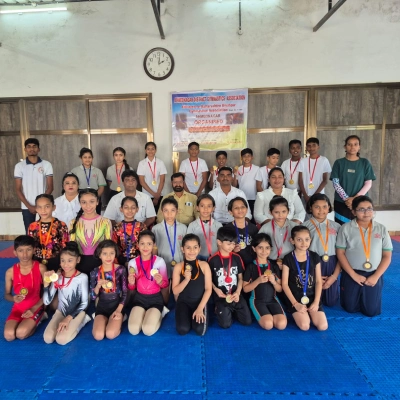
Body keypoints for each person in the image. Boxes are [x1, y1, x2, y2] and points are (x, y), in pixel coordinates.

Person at [336, 196, 392, 317]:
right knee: (350, 308)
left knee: (371, 311)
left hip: (374, 273)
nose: (366, 212)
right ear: (353, 212)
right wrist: (353, 275)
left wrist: (376, 276)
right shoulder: (345, 228)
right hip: (351, 273)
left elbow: (387, 256)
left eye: (369, 208)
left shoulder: (381, 229)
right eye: (361, 209)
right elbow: (340, 253)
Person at [43, 242, 90, 345]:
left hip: (77, 312)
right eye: (62, 260)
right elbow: (46, 301)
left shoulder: (82, 277)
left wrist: (68, 318)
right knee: (48, 338)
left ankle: (82, 321)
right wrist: (46, 285)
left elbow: (84, 303)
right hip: (61, 311)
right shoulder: (57, 276)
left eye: (70, 260)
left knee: (61, 340)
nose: (65, 264)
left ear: (78, 260)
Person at [282, 226, 328, 331]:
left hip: (312, 297)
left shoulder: (314, 256)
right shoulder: (288, 258)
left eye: (307, 239)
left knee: (323, 326)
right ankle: (296, 311)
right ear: (292, 241)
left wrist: (316, 302)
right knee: (305, 326)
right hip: (295, 298)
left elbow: (318, 281)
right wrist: (295, 304)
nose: (304, 243)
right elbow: (284, 284)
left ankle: (311, 310)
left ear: (310, 240)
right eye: (299, 240)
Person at [4, 235, 46, 341]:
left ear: (34, 250)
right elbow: (7, 294)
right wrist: (13, 298)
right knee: (9, 336)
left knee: (21, 334)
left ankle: (41, 316)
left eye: (28, 249)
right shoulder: (10, 272)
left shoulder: (41, 268)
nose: (25, 254)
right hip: (18, 309)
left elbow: (48, 293)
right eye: (20, 251)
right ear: (15, 252)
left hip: (36, 307)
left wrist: (33, 309)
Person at [208, 227, 252, 329]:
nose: (232, 246)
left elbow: (240, 278)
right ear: (219, 242)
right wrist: (216, 289)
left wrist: (238, 292)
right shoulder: (212, 260)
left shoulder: (237, 257)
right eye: (229, 244)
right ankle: (219, 308)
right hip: (221, 296)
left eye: (233, 244)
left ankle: (231, 310)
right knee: (225, 325)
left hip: (236, 295)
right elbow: (208, 280)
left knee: (247, 321)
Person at [127, 231, 169, 336]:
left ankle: (160, 313)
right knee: (133, 330)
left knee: (148, 330)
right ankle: (146, 314)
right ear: (137, 245)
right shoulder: (132, 263)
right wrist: (131, 283)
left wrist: (160, 281)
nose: (145, 247)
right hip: (139, 298)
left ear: (154, 245)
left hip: (155, 299)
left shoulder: (159, 261)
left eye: (149, 244)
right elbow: (132, 288)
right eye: (142, 243)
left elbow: (165, 285)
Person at [303, 194, 341, 307]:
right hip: (312, 263)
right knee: (312, 300)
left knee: (331, 302)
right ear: (310, 208)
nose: (321, 210)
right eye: (317, 207)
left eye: (324, 206)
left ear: (329, 207)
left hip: (332, 262)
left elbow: (342, 253)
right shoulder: (305, 227)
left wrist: (334, 277)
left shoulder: (337, 226)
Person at [243, 233, 287, 330]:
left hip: (273, 300)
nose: (264, 251)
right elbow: (245, 289)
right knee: (268, 325)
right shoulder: (251, 267)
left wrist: (274, 282)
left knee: (281, 325)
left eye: (267, 248)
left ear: (270, 249)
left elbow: (280, 289)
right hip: (257, 301)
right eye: (260, 248)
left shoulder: (274, 266)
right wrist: (258, 281)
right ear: (254, 248)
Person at [330, 135, 376, 225]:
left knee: (360, 228)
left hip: (361, 203)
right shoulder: (339, 163)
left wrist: (355, 199)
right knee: (341, 227)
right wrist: (347, 199)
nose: (352, 147)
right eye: (349, 144)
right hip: (342, 202)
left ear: (359, 147)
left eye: (355, 144)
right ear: (345, 147)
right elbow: (335, 183)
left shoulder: (365, 163)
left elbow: (368, 183)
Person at [172, 234, 212, 336]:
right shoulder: (178, 267)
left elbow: (208, 289)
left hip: (199, 301)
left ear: (199, 248)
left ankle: (197, 313)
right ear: (182, 249)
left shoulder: (204, 265)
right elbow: (175, 291)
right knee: (182, 330)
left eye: (195, 247)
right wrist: (186, 280)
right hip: (183, 302)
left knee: (200, 330)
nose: (192, 251)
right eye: (188, 247)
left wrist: (200, 308)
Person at [90, 240, 128, 340]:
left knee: (110, 334)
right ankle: (104, 320)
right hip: (102, 307)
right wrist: (98, 286)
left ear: (115, 254)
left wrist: (119, 311)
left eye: (111, 253)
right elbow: (93, 297)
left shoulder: (120, 269)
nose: (108, 257)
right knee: (98, 336)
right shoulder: (95, 272)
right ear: (99, 255)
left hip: (117, 306)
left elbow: (125, 292)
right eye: (105, 254)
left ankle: (122, 317)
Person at [69, 189, 112, 275]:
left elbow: (108, 246)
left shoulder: (105, 222)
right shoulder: (73, 222)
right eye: (84, 202)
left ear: (97, 202)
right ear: (80, 203)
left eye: (91, 202)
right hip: (79, 263)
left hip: (100, 263)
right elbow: (71, 247)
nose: (88, 205)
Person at [14, 138, 54, 232]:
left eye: (34, 146)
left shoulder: (46, 164)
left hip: (43, 206)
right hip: (26, 206)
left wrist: (40, 205)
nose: (32, 149)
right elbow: (18, 189)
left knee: (45, 231)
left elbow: (50, 187)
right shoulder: (19, 166)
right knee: (30, 232)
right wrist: (29, 206)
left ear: (38, 149)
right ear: (25, 149)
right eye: (29, 147)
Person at [28, 194, 69, 271]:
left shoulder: (61, 225)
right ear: (36, 209)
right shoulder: (32, 226)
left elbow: (65, 246)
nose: (43, 210)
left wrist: (63, 264)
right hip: (37, 261)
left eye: (47, 207)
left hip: (56, 260)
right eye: (39, 207)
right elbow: (30, 246)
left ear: (53, 207)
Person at [152, 197, 187, 281]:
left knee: (178, 283)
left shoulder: (183, 228)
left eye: (172, 210)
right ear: (162, 212)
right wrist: (154, 264)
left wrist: (186, 263)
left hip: (179, 262)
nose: (169, 214)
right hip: (162, 264)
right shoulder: (156, 229)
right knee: (164, 284)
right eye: (166, 211)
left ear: (177, 211)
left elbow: (186, 247)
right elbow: (154, 248)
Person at [259, 196, 296, 270]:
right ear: (270, 212)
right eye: (276, 212)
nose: (280, 215)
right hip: (271, 262)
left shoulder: (295, 227)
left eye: (284, 211)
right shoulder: (265, 228)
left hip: (292, 262)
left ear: (288, 211)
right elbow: (259, 247)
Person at [298, 137, 331, 213]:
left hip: (319, 195)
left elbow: (325, 180)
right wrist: (305, 196)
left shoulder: (324, 160)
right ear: (306, 148)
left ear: (318, 147)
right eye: (309, 146)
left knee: (319, 215)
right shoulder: (303, 161)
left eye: (314, 145)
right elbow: (300, 181)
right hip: (305, 196)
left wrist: (314, 196)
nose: (311, 148)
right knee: (305, 216)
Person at [112, 196, 146, 267]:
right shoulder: (117, 227)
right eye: (126, 207)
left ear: (137, 209)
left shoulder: (141, 227)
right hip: (121, 262)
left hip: (139, 262)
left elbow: (145, 245)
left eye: (133, 208)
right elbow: (114, 247)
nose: (129, 210)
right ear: (121, 209)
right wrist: (117, 264)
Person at [71, 148, 107, 215]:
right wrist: (79, 198)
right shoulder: (75, 171)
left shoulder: (97, 171)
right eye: (85, 157)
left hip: (95, 195)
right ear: (81, 158)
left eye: (89, 157)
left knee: (95, 217)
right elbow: (72, 187)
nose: (87, 159)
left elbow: (101, 187)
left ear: (92, 158)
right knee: (80, 217)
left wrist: (95, 197)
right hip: (80, 197)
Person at [187, 194, 222, 261]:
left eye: (209, 206)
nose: (205, 209)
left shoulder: (218, 225)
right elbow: (188, 243)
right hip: (197, 257)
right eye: (202, 206)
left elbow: (221, 244)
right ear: (197, 208)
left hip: (215, 257)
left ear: (213, 208)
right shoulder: (192, 226)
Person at [225, 197, 258, 266]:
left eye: (242, 207)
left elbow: (257, 246)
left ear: (247, 209)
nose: (240, 210)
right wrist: (232, 250)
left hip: (252, 264)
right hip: (234, 263)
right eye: (236, 208)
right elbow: (223, 249)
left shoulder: (253, 228)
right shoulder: (227, 229)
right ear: (230, 212)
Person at [137, 142, 167, 213]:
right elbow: (142, 181)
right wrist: (154, 194)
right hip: (146, 195)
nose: (150, 151)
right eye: (148, 149)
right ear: (145, 150)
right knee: (147, 214)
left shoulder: (160, 163)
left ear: (155, 150)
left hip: (159, 194)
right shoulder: (142, 163)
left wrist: (157, 195)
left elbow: (162, 180)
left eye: (152, 149)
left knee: (158, 214)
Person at [235, 148, 259, 218]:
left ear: (252, 157)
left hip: (253, 197)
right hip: (242, 197)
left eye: (248, 156)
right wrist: (235, 174)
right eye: (244, 156)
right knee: (243, 216)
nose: (246, 158)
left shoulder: (257, 169)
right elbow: (235, 185)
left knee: (253, 217)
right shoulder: (238, 169)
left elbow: (259, 184)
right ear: (241, 158)